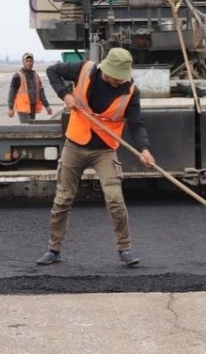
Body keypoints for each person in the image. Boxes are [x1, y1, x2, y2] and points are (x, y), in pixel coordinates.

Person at [37, 47, 155, 267]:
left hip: (105, 150)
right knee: (63, 199)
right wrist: (65, 94)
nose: (119, 81)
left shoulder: (130, 92)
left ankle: (125, 249)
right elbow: (52, 71)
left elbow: (137, 124)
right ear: (105, 69)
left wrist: (144, 149)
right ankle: (53, 249)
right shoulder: (84, 69)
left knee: (115, 199)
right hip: (75, 145)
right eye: (116, 77)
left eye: (123, 78)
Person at [7, 52, 53, 123]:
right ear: (23, 62)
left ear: (33, 62)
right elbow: (12, 92)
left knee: (31, 128)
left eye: (30, 61)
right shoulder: (17, 76)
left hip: (32, 107)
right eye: (27, 61)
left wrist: (47, 106)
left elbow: (41, 92)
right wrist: (10, 108)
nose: (29, 63)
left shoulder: (36, 76)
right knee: (27, 129)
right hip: (23, 108)